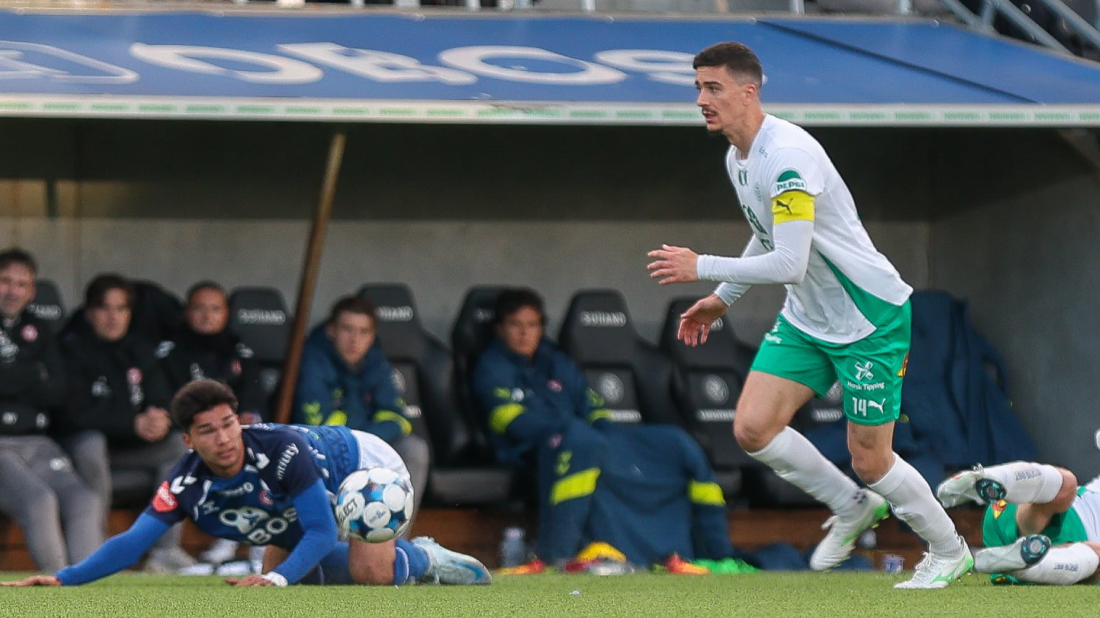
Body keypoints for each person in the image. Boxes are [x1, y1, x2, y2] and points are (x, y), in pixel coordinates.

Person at [645, 42, 971, 588]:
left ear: (749, 92)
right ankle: (851, 505)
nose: (701, 99)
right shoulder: (737, 157)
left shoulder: (788, 157)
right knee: (752, 428)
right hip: (808, 317)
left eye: (713, 88)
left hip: (868, 318)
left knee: (871, 460)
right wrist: (723, 297)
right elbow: (767, 236)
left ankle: (949, 549)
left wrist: (699, 265)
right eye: (698, 87)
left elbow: (790, 262)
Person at [1, 379, 491, 587]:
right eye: (208, 431)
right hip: (301, 497)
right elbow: (133, 543)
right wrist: (64, 578)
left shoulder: (281, 450)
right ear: (189, 441)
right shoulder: (185, 480)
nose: (224, 439)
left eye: (229, 424)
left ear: (239, 420)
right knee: (293, 581)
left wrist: (275, 576)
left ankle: (425, 558)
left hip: (364, 466)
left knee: (368, 576)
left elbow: (321, 531)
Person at [471, 287, 735, 569]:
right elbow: (512, 423)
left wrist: (602, 430)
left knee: (676, 442)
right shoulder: (490, 368)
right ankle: (558, 554)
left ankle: (714, 554)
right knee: (583, 442)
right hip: (528, 450)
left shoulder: (556, 361)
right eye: (516, 324)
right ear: (499, 328)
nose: (525, 333)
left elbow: (592, 404)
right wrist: (574, 430)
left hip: (585, 439)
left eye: (532, 324)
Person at [55, 274, 195, 573]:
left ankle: (164, 551)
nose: (113, 317)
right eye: (104, 308)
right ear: (89, 312)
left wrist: (161, 419)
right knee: (90, 444)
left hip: (132, 453)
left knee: (178, 446)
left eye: (121, 309)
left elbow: (162, 397)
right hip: (84, 456)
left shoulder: (139, 348)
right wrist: (131, 423)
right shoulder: (71, 348)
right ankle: (97, 548)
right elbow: (72, 413)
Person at [0, 248, 104, 572]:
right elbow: (39, 379)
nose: (13, 291)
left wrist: (12, 374)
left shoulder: (41, 329)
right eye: (5, 281)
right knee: (40, 500)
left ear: (32, 291)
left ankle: (89, 583)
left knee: (85, 500)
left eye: (21, 284)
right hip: (1, 445)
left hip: (38, 442)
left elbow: (59, 389)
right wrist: (35, 373)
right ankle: (59, 585)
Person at [158, 280, 268, 571]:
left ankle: (250, 546)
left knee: (260, 448)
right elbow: (167, 402)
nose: (207, 316)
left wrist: (246, 418)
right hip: (188, 435)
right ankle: (219, 539)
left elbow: (253, 399)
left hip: (232, 434)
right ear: (187, 312)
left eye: (215, 309)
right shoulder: (170, 351)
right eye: (200, 308)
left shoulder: (240, 351)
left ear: (227, 313)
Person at [292, 296, 429, 518]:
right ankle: (335, 535)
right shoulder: (312, 361)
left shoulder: (376, 362)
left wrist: (368, 441)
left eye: (363, 332)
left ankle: (395, 535)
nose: (355, 340)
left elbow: (398, 418)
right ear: (331, 331)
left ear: (372, 336)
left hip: (365, 444)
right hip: (324, 453)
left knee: (414, 449)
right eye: (347, 329)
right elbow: (320, 428)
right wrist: (369, 438)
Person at [937, 462, 1100, 585]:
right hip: (1033, 509)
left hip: (1066, 559)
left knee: (1066, 486)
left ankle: (1021, 564)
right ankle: (986, 479)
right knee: (1066, 487)